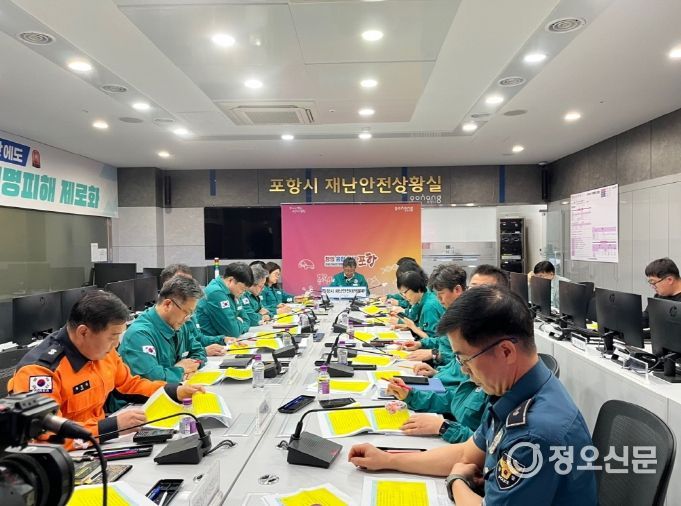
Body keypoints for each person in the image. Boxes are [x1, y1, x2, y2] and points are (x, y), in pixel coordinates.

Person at [349, 286, 597, 505]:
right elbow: (466, 454)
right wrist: (388, 459)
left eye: (465, 360)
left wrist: (456, 481)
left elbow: (462, 466)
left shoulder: (535, 434)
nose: (464, 371)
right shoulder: (511, 392)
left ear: (506, 352)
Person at [8, 291, 202, 449]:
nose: (116, 344)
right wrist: (112, 426)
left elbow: (130, 385)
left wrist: (173, 391)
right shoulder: (40, 372)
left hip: (100, 445)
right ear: (83, 332)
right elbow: (45, 437)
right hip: (66, 457)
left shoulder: (102, 352)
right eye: (112, 336)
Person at [119, 276, 207, 382]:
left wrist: (193, 366)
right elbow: (151, 378)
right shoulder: (139, 335)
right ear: (167, 304)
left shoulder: (179, 324)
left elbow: (199, 351)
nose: (188, 318)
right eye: (186, 312)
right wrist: (181, 370)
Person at [159, 264, 229, 355]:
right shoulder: (170, 317)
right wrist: (203, 352)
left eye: (190, 282)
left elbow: (197, 339)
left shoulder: (186, 310)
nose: (189, 286)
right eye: (182, 282)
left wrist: (222, 339)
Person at [403, 263, 466, 364]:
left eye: (441, 294)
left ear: (457, 290)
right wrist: (420, 343)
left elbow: (463, 364)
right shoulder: (453, 311)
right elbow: (443, 341)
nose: (438, 299)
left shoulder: (468, 318)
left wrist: (435, 355)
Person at [195, 262, 254, 337]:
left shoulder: (232, 292)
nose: (243, 293)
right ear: (230, 280)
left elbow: (247, 320)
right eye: (242, 289)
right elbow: (233, 332)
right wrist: (240, 322)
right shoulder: (216, 293)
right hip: (211, 341)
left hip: (224, 340)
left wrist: (238, 323)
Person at [393, 270, 444, 339]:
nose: (404, 297)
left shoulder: (429, 306)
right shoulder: (421, 298)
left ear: (417, 288)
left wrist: (414, 328)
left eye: (405, 292)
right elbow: (424, 327)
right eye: (402, 294)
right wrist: (411, 327)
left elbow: (432, 340)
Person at [642, 257, 681, 327]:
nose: (652, 286)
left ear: (669, 280)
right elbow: (646, 318)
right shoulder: (659, 296)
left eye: (654, 282)